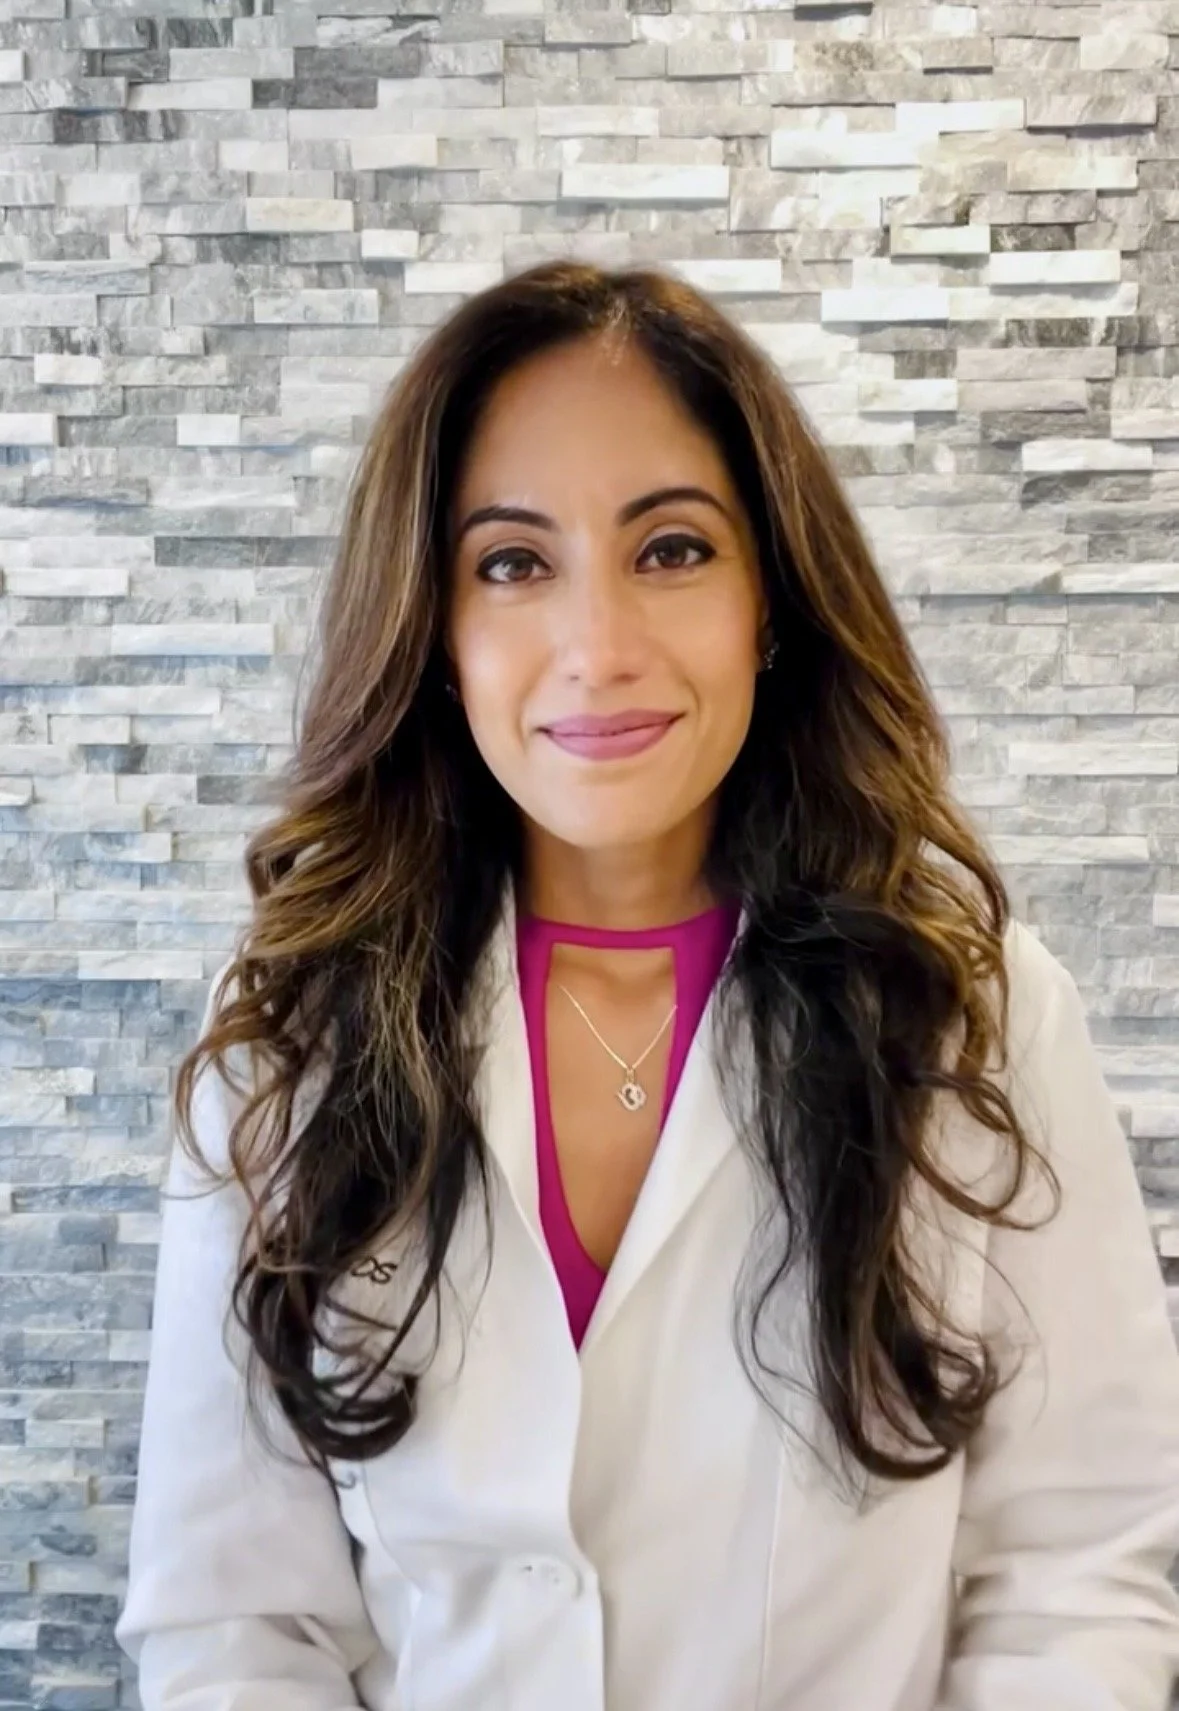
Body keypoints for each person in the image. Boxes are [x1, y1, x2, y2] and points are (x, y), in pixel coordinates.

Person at [114, 259, 1179, 1711]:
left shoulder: (973, 1012)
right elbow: (230, 1624)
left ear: (771, 601)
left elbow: (1075, 1568)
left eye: (670, 550)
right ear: (431, 629)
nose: (597, 648)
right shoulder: (291, 1033)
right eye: (510, 562)